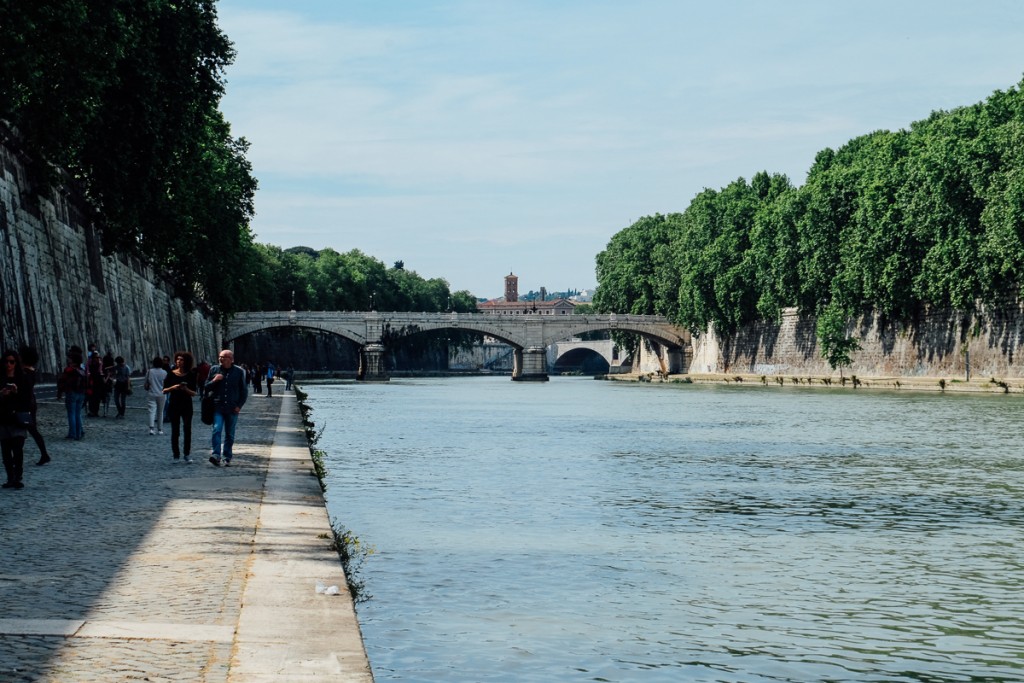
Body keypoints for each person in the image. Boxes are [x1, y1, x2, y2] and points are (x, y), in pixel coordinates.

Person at [205, 349, 247, 467]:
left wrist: (239, 406)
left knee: (230, 434)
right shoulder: (214, 370)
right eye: (220, 357)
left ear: (231, 359)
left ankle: (227, 456)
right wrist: (214, 380)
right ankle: (216, 455)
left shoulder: (239, 372)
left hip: (232, 408)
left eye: (224, 357)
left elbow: (244, 391)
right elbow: (206, 387)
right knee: (216, 429)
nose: (221, 359)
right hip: (218, 406)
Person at [0, 349, 32, 489]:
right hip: (3, 418)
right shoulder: (0, 378)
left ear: (16, 363)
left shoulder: (22, 378)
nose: (9, 364)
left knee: (17, 450)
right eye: (6, 361)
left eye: (11, 362)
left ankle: (18, 477)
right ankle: (10, 477)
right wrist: (1, 394)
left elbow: (27, 399)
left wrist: (16, 392)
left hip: (18, 418)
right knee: (6, 451)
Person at [18, 345, 50, 466]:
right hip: (30, 403)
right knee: (31, 429)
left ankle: (43, 454)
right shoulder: (31, 371)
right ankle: (44, 454)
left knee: (24, 429)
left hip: (25, 404)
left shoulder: (25, 372)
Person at [163, 351, 197, 462]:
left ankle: (187, 453)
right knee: (175, 430)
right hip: (174, 404)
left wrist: (186, 389)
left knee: (187, 429)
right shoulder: (171, 373)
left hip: (187, 405)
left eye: (181, 359)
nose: (179, 361)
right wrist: (174, 387)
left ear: (186, 361)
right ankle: (176, 454)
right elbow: (164, 390)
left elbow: (194, 393)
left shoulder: (191, 374)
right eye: (177, 359)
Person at [56, 347, 86, 440]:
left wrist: (60, 392)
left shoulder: (69, 370)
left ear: (73, 360)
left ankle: (72, 433)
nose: (68, 359)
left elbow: (62, 380)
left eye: (70, 358)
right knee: (78, 413)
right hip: (81, 393)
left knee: (71, 414)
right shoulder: (82, 370)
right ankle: (79, 432)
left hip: (71, 392)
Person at [144, 356, 168, 435]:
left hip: (152, 393)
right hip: (161, 394)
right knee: (160, 412)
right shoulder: (164, 372)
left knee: (151, 411)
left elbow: (146, 383)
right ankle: (160, 429)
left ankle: (151, 428)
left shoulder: (149, 371)